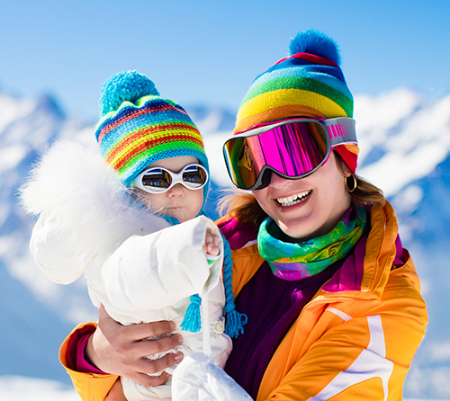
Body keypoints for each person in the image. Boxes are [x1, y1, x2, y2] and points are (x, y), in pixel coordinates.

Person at [52, 30, 428, 400]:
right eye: (252, 163)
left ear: (344, 154)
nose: (275, 182)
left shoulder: (381, 304)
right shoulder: (221, 246)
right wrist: (97, 355)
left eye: (293, 150)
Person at [20, 71, 248, 400]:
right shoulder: (128, 247)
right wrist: (189, 250)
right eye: (157, 179)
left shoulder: (197, 234)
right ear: (125, 192)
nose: (179, 190)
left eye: (192, 174)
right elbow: (144, 269)